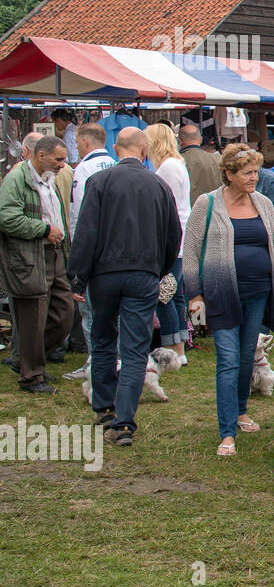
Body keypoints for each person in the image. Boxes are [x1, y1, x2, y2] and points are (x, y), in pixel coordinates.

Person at [68, 128, 182, 444]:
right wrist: (159, 269)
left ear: (117, 149)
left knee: (103, 339)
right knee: (134, 350)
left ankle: (105, 407)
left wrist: (78, 275)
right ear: (144, 150)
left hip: (105, 274)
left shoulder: (99, 182)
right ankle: (123, 422)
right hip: (143, 273)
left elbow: (85, 232)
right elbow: (174, 234)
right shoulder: (158, 184)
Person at [183, 144, 274, 457]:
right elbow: (190, 251)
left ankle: (241, 411)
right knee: (227, 360)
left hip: (258, 292)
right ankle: (227, 431)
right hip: (221, 292)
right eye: (246, 173)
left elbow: (272, 247)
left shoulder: (264, 203)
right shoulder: (208, 203)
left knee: (246, 357)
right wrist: (195, 293)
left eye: (256, 171)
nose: (253, 178)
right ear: (228, 174)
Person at [0, 135, 75, 394]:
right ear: (40, 155)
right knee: (33, 318)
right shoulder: (17, 179)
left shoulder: (49, 179)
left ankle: (26, 360)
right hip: (29, 257)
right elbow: (7, 218)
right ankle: (31, 376)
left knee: (64, 313)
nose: (63, 165)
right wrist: (43, 230)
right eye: (59, 159)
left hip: (54, 254)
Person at [62, 123, 116, 383]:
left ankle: (95, 361)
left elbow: (80, 215)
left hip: (92, 251)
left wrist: (76, 255)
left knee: (89, 311)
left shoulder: (83, 169)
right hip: (114, 249)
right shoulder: (115, 166)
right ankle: (111, 358)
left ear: (83, 142)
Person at [146, 124, 191, 363]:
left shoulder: (168, 168)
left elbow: (167, 208)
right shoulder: (176, 164)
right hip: (180, 240)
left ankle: (175, 349)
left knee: (165, 295)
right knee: (175, 295)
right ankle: (179, 345)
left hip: (173, 240)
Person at [179, 124, 222, 205]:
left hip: (190, 212)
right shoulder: (218, 159)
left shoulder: (178, 162)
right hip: (214, 209)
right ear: (201, 139)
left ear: (180, 141)